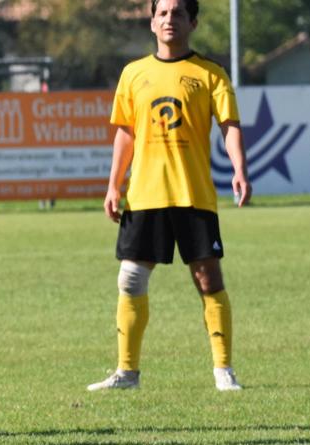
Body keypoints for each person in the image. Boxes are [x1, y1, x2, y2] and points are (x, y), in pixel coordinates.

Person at [87, 0, 250, 392]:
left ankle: (223, 371)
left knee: (208, 278)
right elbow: (125, 133)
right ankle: (127, 373)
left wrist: (240, 168)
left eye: (178, 13)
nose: (169, 19)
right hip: (145, 194)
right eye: (162, 12)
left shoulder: (210, 73)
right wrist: (114, 184)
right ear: (151, 22)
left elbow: (229, 125)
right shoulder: (134, 74)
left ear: (192, 22)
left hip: (192, 192)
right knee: (130, 279)